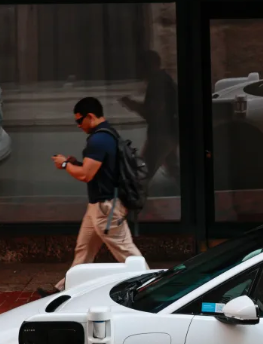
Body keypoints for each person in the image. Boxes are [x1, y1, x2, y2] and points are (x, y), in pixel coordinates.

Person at [38, 97, 142, 297]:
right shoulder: (108, 134)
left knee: (127, 253)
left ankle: (151, 286)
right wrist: (75, 163)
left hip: (106, 209)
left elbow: (86, 174)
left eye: (80, 120)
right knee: (84, 251)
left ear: (91, 116)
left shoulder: (98, 140)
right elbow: (99, 170)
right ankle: (63, 291)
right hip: (98, 206)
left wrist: (65, 165)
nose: (78, 125)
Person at [119, 50, 179, 187]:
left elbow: (152, 112)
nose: (138, 70)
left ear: (149, 65)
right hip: (167, 133)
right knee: (172, 169)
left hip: (162, 134)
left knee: (141, 175)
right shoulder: (162, 79)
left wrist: (132, 105)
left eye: (140, 66)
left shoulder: (158, 82)